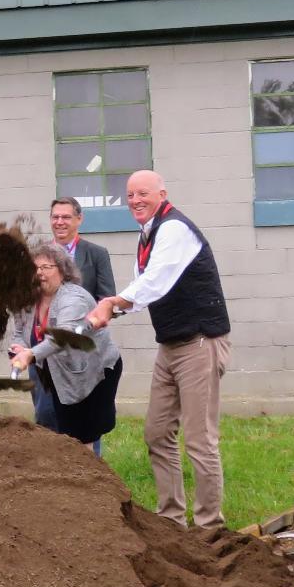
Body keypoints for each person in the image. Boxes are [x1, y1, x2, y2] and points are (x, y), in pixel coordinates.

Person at [87, 170, 233, 528]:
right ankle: (171, 518)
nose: (135, 200)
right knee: (156, 432)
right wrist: (113, 307)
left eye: (143, 194)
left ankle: (210, 526)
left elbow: (156, 281)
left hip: (200, 342)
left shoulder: (174, 229)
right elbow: (147, 287)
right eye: (130, 195)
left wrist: (112, 303)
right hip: (170, 345)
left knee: (200, 440)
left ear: (162, 193)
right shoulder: (149, 233)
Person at [7, 243, 122, 450]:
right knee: (63, 429)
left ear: (63, 270)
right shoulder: (25, 299)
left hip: (93, 370)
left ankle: (91, 478)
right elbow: (20, 333)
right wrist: (19, 348)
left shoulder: (72, 298)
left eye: (46, 267)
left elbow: (64, 336)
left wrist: (30, 355)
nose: (39, 273)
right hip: (58, 370)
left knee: (83, 435)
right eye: (34, 268)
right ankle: (70, 476)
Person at [50, 197, 117, 301]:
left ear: (79, 219)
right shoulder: (38, 255)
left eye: (66, 217)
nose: (59, 222)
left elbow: (106, 300)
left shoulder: (97, 254)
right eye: (55, 217)